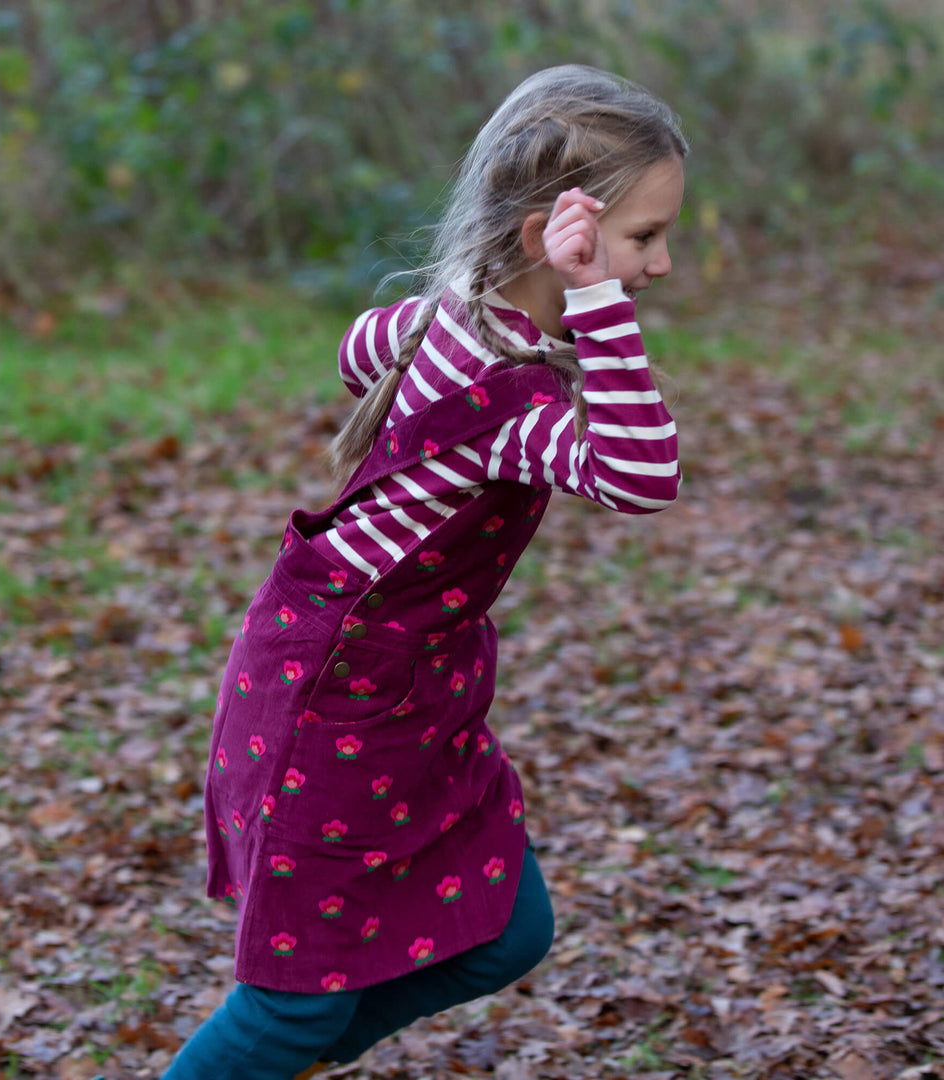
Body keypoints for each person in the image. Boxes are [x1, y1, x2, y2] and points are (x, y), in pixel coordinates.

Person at [161, 64, 687, 1080]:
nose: (660, 264)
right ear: (550, 238)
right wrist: (598, 298)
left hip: (410, 688)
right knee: (292, 1007)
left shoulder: (456, 321)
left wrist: (549, 297)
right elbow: (640, 474)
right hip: (336, 697)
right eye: (643, 238)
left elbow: (357, 352)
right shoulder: (505, 389)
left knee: (509, 931)